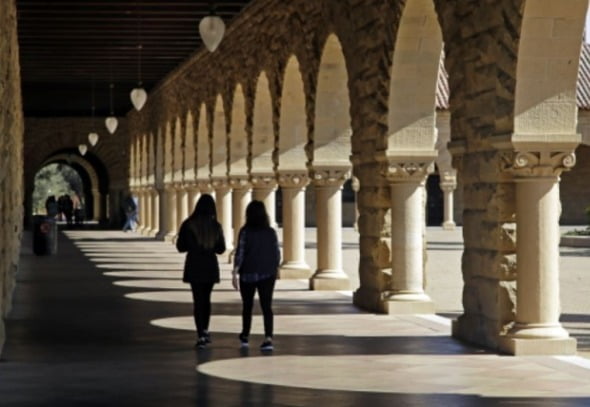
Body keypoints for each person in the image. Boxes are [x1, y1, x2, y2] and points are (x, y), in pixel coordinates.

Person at [176, 194, 226, 349]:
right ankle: (205, 329)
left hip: (194, 265)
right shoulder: (215, 226)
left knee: (198, 301)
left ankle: (200, 335)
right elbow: (221, 249)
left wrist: (194, 246)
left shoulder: (188, 224)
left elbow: (180, 247)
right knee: (207, 299)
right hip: (210, 266)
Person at [232, 200, 281, 351]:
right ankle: (268, 337)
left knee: (247, 306)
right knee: (267, 306)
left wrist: (235, 272)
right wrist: (274, 269)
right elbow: (276, 253)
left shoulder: (245, 231)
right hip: (267, 273)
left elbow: (240, 252)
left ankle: (245, 335)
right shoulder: (270, 232)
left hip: (248, 273)